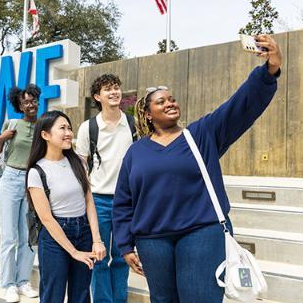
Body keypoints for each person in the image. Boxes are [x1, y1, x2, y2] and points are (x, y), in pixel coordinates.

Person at [112, 34, 282, 303]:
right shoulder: (136, 152)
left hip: (201, 233)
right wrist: (124, 245)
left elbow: (239, 107)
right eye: (161, 101)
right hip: (153, 241)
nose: (170, 103)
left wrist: (269, 71)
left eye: (172, 99)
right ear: (147, 114)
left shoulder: (201, 134)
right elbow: (123, 202)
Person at [26, 110, 106, 303]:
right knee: (54, 294)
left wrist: (97, 239)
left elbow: (89, 201)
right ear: (45, 135)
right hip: (55, 236)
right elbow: (46, 218)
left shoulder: (78, 162)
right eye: (62, 128)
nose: (69, 132)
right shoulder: (37, 172)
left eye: (69, 127)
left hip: (84, 231)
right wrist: (73, 252)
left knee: (81, 295)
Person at [76, 74, 133, 303]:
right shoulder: (88, 128)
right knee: (99, 258)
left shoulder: (132, 123)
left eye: (117, 87)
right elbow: (81, 166)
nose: (114, 92)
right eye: (108, 89)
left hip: (126, 201)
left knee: (122, 258)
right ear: (97, 96)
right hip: (98, 200)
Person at [0, 84, 41, 303]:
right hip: (11, 179)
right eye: (25, 102)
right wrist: (2, 137)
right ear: (19, 105)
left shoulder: (43, 126)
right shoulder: (13, 124)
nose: (30, 105)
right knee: (9, 236)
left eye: (33, 100)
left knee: (28, 236)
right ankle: (9, 284)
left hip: (32, 182)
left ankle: (23, 281)